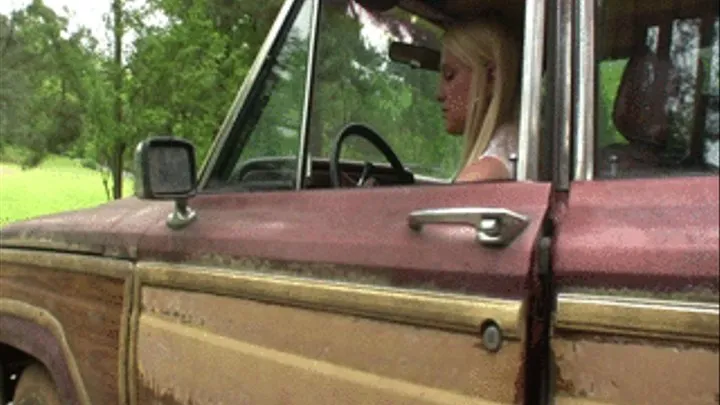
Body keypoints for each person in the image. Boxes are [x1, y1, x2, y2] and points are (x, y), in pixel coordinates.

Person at [437, 17, 523, 182]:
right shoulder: (519, 148)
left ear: (490, 78)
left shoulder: (482, 177)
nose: (439, 94)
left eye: (449, 76)